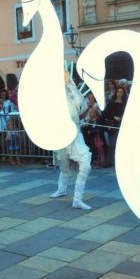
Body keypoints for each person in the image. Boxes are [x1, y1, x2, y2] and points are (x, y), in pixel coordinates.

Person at [49, 72, 92, 209]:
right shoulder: (52, 94)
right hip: (60, 134)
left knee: (85, 164)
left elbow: (80, 103)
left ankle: (77, 199)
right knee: (64, 164)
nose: (64, 76)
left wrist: (69, 83)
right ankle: (61, 190)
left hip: (74, 133)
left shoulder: (73, 92)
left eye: (66, 74)